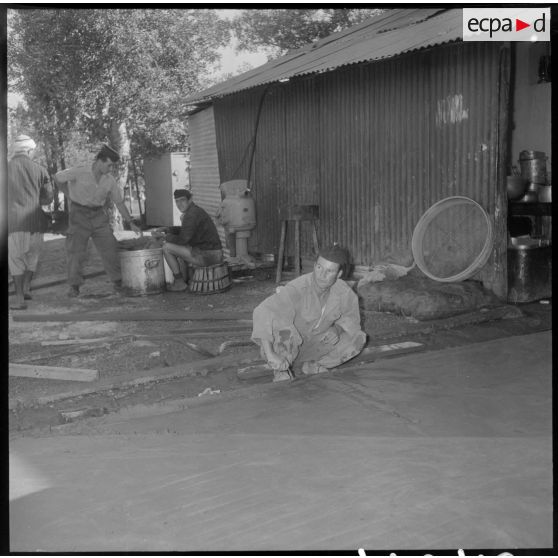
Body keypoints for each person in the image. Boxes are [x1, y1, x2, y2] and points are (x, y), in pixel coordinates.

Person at [252, 245, 367, 382]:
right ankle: (281, 371)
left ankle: (311, 365)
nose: (322, 275)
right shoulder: (298, 287)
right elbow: (264, 310)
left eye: (329, 271)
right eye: (319, 267)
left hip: (314, 345)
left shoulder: (344, 292)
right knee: (284, 329)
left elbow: (351, 318)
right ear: (314, 265)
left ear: (339, 274)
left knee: (357, 338)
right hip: (286, 347)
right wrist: (271, 354)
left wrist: (337, 329)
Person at [54, 144, 141, 297]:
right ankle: (74, 286)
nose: (111, 169)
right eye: (109, 165)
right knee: (76, 252)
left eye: (112, 166)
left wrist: (131, 222)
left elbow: (119, 202)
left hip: (99, 215)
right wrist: (68, 194)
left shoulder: (110, 180)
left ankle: (118, 283)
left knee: (110, 247)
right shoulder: (80, 171)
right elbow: (58, 177)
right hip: (78, 215)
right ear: (100, 161)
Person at [8, 134, 54, 310]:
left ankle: (19, 299)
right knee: (32, 259)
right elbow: (48, 198)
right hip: (36, 224)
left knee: (16, 261)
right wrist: (35, 200)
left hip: (13, 224)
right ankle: (27, 288)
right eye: (33, 151)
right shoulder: (40, 170)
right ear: (28, 150)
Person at [154, 189, 223, 292]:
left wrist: (164, 237)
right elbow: (185, 231)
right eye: (177, 201)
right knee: (177, 246)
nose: (179, 204)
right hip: (211, 253)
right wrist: (167, 229)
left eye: (182, 200)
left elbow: (183, 239)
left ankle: (179, 283)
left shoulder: (191, 214)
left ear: (190, 200)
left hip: (208, 256)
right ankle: (187, 278)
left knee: (167, 247)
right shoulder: (193, 211)